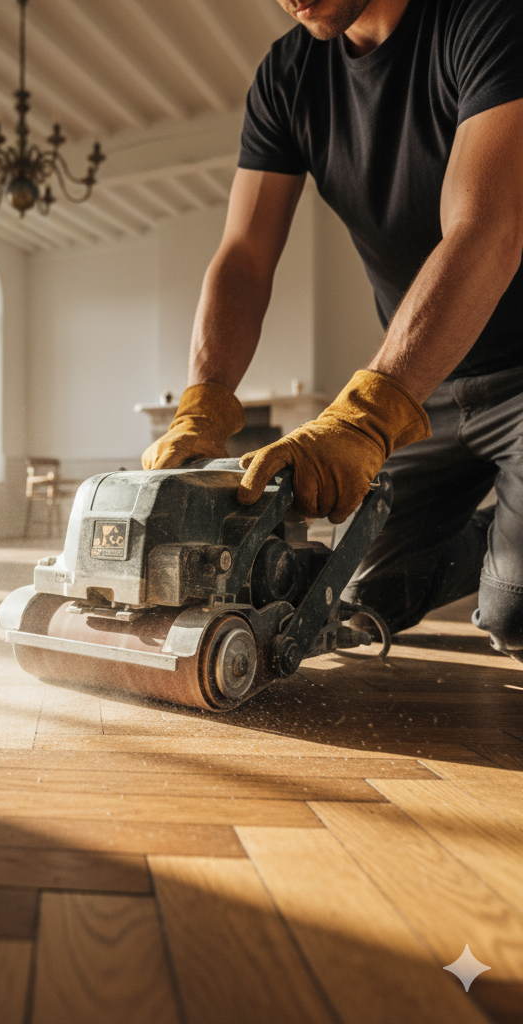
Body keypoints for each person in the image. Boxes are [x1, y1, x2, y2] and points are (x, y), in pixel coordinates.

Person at [143, 0, 523, 660]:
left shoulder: (486, 16)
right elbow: (244, 258)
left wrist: (365, 417)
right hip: (432, 390)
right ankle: (501, 534)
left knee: (513, 612)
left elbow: (485, 230)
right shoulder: (287, 76)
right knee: (350, 597)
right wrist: (203, 402)